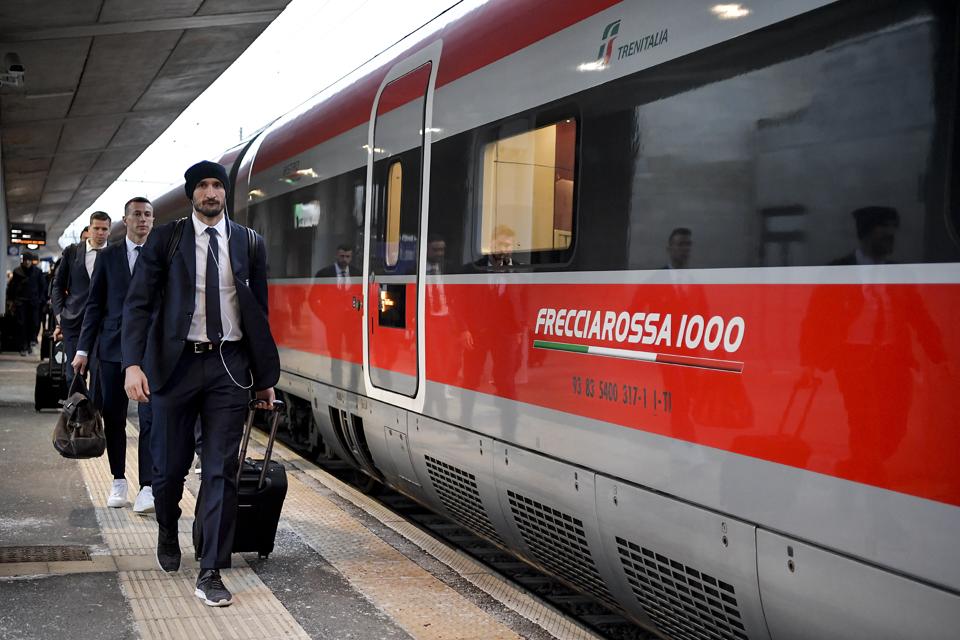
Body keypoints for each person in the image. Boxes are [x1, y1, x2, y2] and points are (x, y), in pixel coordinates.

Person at [122, 160, 279, 607]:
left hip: (228, 367)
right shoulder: (167, 240)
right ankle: (168, 527)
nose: (211, 193)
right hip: (174, 368)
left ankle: (211, 568)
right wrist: (133, 364)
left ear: (225, 192)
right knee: (169, 469)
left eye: (217, 186)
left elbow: (259, 314)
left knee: (220, 472)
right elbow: (137, 305)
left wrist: (264, 379)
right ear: (192, 193)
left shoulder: (249, 243)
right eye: (203, 186)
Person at [73, 197, 156, 513]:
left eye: (148, 215)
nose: (143, 220)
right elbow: (94, 306)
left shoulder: (161, 257)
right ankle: (118, 479)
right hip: (111, 350)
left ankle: (147, 486)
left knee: (150, 418)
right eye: (137, 214)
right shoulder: (108, 258)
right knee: (114, 418)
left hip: (149, 351)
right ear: (126, 220)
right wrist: (83, 349)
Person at [51, 211, 111, 384]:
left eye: (104, 229)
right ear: (89, 228)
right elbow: (57, 286)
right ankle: (77, 411)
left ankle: (96, 411)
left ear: (110, 230)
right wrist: (59, 316)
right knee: (74, 375)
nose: (100, 232)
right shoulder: (72, 252)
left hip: (104, 323)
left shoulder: (116, 252)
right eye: (96, 228)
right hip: (74, 322)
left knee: (99, 373)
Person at [830, 206, 899, 265]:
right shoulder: (835, 269)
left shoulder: (899, 271)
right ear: (865, 232)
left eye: (894, 226)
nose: (891, 232)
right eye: (884, 226)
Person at [6, 252, 45, 356]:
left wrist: (41, 299)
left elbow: (42, 286)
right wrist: (11, 300)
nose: (27, 262)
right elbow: (12, 288)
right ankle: (24, 346)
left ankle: (31, 341)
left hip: (33, 302)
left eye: (29, 260)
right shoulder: (18, 272)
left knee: (33, 323)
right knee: (22, 324)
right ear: (23, 261)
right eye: (25, 260)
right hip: (21, 302)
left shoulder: (37, 272)